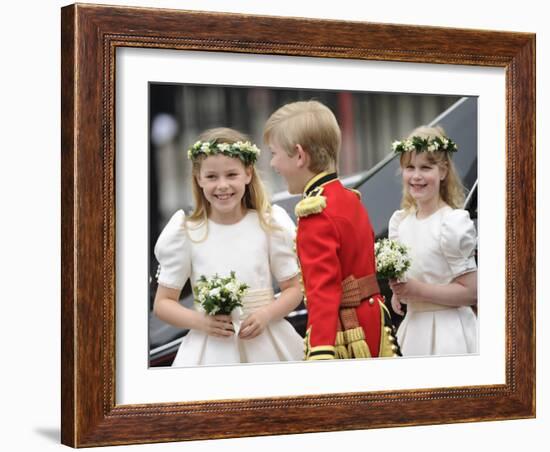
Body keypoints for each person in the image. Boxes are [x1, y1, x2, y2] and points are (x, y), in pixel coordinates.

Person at [153, 127, 304, 366]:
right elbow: (163, 304)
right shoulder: (187, 232)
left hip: (267, 343)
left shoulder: (269, 224)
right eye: (212, 177)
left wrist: (266, 315)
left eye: (231, 175)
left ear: (247, 173)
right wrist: (201, 321)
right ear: (199, 179)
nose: (222, 185)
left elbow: (294, 288)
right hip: (209, 351)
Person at [264, 100, 400, 361]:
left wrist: (320, 351)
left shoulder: (316, 212)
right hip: (372, 320)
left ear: (299, 155)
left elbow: (323, 292)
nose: (273, 164)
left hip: (346, 333)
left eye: (274, 153)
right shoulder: (349, 197)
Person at [388, 125, 478, 356]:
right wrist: (399, 293)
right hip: (414, 330)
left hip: (450, 333)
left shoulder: (451, 224)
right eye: (410, 167)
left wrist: (418, 291)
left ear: (443, 171)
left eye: (426, 168)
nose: (416, 176)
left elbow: (472, 292)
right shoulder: (401, 223)